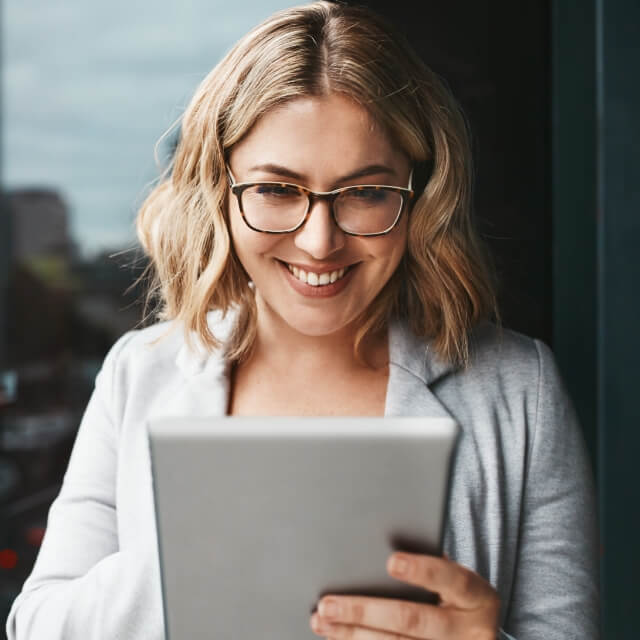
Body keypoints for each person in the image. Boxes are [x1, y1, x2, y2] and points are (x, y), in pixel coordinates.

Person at [6, 2, 599, 639]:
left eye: (367, 193)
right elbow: (39, 625)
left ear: (420, 197)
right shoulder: (139, 372)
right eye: (277, 190)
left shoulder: (519, 391)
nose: (319, 242)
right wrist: (203, 561)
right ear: (219, 193)